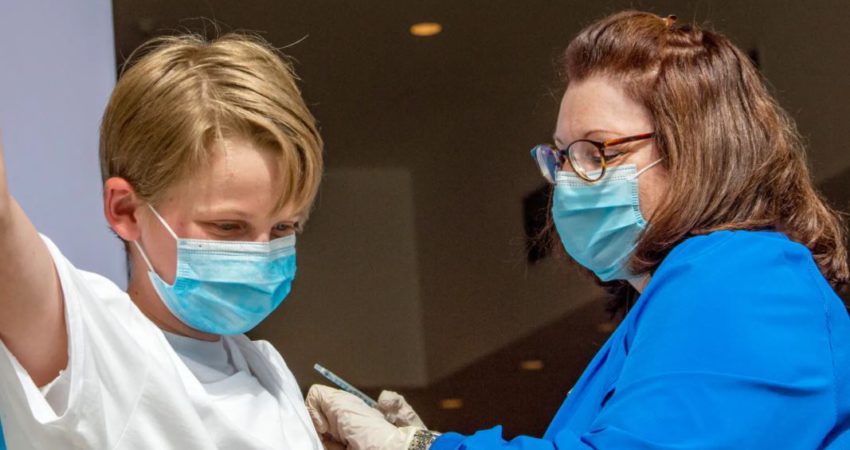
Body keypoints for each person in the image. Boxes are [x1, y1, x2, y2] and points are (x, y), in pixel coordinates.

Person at [305, 10, 850, 449]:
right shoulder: (673, 305)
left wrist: (421, 447)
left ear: (695, 150)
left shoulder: (743, 276)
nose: (567, 180)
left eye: (597, 151)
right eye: (561, 157)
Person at [0, 33, 326, 449]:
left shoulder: (267, 370)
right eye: (228, 227)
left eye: (283, 228)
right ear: (125, 210)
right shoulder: (92, 346)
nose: (261, 252)